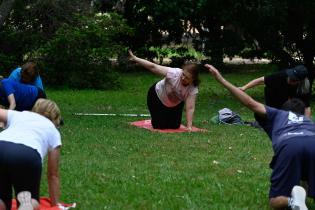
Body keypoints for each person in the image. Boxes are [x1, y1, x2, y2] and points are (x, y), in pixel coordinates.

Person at [206, 64, 314, 210]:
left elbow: (249, 102)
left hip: (290, 145)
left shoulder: (278, 114)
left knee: (275, 202)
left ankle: (293, 201)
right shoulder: (308, 122)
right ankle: (303, 196)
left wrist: (221, 79)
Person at [0, 98, 63, 210]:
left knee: (2, 200)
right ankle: (27, 204)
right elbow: (53, 174)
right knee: (28, 200)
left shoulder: (19, 115)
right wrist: (55, 205)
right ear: (55, 118)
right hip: (27, 154)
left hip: (1, 145)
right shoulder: (53, 131)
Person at [128, 50, 200, 130]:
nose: (183, 78)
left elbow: (190, 107)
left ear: (193, 79)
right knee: (159, 126)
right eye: (183, 74)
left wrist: (189, 126)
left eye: (187, 78)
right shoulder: (174, 73)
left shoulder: (193, 88)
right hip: (157, 96)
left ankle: (167, 116)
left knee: (174, 126)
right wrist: (135, 58)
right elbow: (153, 67)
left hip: (175, 103)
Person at [240, 65, 312, 117]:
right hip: (274, 93)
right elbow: (261, 80)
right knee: (273, 113)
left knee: (294, 109)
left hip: (290, 96)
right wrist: (244, 87)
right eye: (290, 77)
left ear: (300, 81)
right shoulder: (282, 75)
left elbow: (307, 107)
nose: (289, 80)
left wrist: (306, 124)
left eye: (293, 80)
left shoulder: (304, 87)